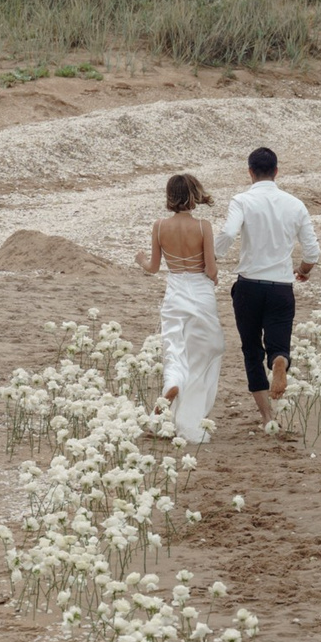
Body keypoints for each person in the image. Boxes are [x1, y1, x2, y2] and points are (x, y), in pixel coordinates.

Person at [214, 146, 318, 427]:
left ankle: (266, 416)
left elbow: (228, 232)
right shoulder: (295, 204)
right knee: (278, 344)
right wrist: (304, 270)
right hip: (281, 286)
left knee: (251, 350)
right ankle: (280, 361)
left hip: (249, 286)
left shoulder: (242, 200)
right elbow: (311, 250)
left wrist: (213, 255)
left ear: (250, 172)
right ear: (276, 172)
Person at [135, 172, 221, 444]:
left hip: (175, 292)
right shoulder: (203, 226)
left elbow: (153, 267)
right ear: (194, 195)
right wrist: (215, 276)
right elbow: (210, 269)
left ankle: (172, 383)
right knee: (205, 351)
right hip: (200, 291)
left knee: (174, 346)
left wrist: (140, 260)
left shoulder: (160, 226)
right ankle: (191, 416)